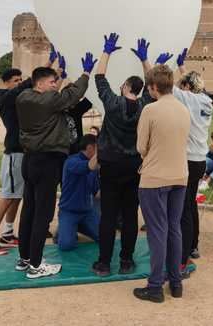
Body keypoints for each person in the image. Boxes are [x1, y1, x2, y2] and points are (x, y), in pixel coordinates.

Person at [15, 54, 95, 279]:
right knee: (43, 213)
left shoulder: (23, 97)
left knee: (29, 210)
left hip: (29, 161)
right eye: (52, 82)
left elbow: (56, 93)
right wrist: (86, 73)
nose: (55, 85)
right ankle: (36, 265)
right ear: (40, 83)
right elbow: (73, 94)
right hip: (47, 162)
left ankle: (25, 259)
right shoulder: (49, 101)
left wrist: (58, 74)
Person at [0, 47, 61, 256]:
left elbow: (36, 89)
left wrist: (53, 73)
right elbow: (29, 86)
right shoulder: (5, 99)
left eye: (20, 79)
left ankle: (7, 233)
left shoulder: (20, 99)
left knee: (18, 197)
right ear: (7, 83)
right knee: (8, 196)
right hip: (13, 153)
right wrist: (47, 66)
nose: (19, 83)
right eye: (15, 80)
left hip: (22, 154)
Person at [91, 34, 153, 277]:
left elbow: (99, 78)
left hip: (110, 166)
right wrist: (145, 59)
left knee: (108, 216)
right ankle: (126, 261)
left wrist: (106, 51)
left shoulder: (112, 103)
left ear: (126, 87)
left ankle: (104, 263)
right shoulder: (145, 105)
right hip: (133, 166)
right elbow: (151, 83)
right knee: (130, 215)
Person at [150, 48, 212, 273]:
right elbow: (195, 85)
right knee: (190, 204)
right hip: (200, 159)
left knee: (183, 209)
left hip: (188, 160)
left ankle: (182, 256)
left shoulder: (190, 100)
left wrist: (155, 64)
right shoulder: (206, 100)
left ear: (188, 88)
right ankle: (193, 245)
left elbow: (165, 88)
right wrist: (182, 66)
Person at [134, 64, 190, 303]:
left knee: (158, 232)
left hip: (155, 177)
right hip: (180, 176)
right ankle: (175, 282)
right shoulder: (183, 109)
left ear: (154, 87)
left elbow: (141, 147)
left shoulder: (150, 109)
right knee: (174, 229)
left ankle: (155, 286)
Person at [57, 134, 100, 251]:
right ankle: (64, 229)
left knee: (104, 236)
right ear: (90, 147)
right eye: (98, 147)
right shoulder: (71, 162)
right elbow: (88, 167)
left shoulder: (94, 167)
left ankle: (76, 226)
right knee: (66, 245)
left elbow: (97, 193)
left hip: (87, 212)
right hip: (69, 211)